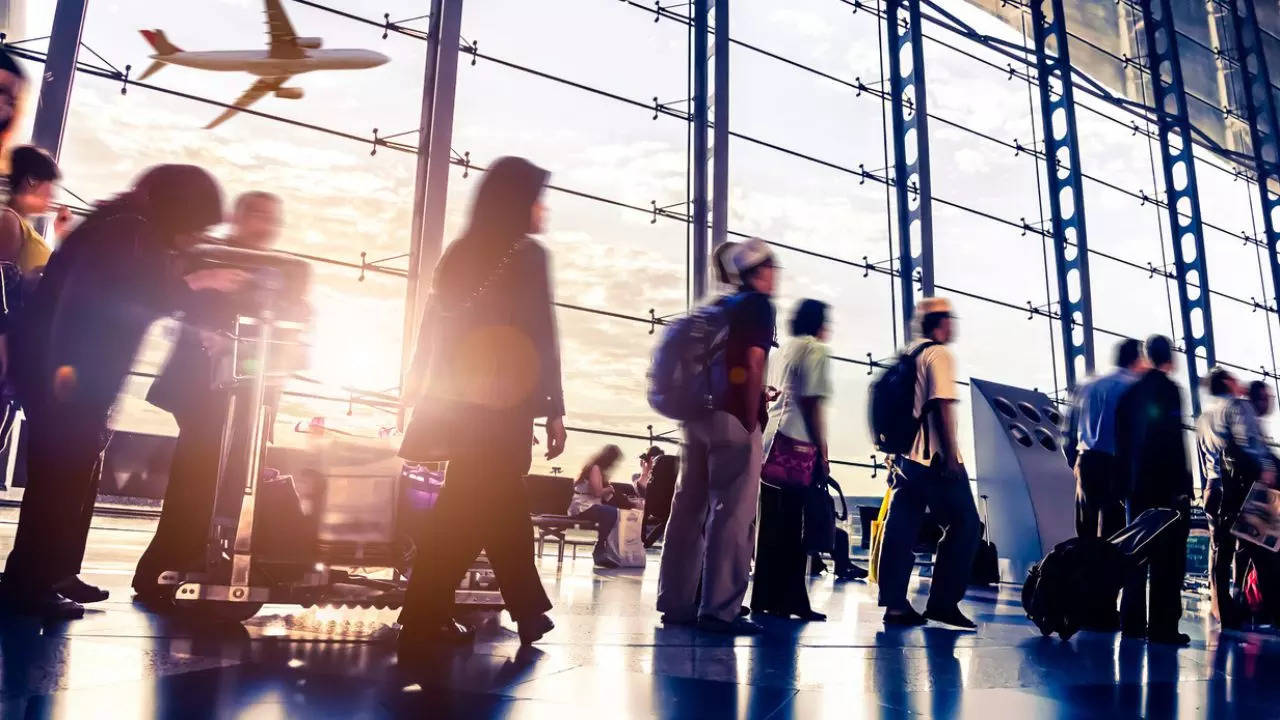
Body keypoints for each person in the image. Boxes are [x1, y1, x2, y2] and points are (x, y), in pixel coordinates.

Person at [0, 165, 244, 619]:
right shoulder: (127, 231)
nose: (195, 235)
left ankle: (52, 572)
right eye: (196, 223)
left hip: (69, 373)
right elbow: (128, 296)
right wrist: (199, 285)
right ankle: (28, 584)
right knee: (59, 481)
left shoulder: (123, 225)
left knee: (71, 477)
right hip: (67, 375)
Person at [397, 156, 565, 650]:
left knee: (468, 507)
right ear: (517, 201)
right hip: (501, 407)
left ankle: (427, 610)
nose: (543, 209)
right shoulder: (528, 255)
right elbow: (541, 334)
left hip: (458, 406)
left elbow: (433, 329)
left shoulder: (459, 254)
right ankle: (525, 609)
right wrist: (553, 406)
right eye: (538, 198)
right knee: (496, 503)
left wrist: (417, 383)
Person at [131, 191, 287, 603]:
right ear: (240, 216)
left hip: (242, 391)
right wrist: (210, 336)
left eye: (273, 217)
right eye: (260, 215)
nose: (267, 224)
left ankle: (191, 564)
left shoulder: (269, 269)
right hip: (206, 390)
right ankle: (164, 569)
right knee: (198, 478)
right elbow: (186, 309)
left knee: (218, 480)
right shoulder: (212, 257)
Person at [657, 237, 777, 635]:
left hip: (695, 418)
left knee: (688, 509)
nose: (775, 277)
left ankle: (675, 602)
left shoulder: (713, 309)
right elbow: (753, 361)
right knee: (734, 513)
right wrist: (749, 416)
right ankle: (719, 609)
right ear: (757, 272)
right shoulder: (756, 305)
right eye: (771, 269)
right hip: (732, 417)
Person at [876, 297, 980, 628]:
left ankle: (894, 605)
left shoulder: (909, 354)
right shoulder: (939, 354)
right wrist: (950, 456)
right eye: (950, 319)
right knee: (966, 525)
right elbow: (941, 406)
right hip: (932, 458)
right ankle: (943, 603)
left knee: (901, 528)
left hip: (904, 459)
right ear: (941, 322)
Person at [751, 299, 836, 621]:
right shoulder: (816, 350)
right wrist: (822, 450)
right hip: (798, 444)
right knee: (795, 526)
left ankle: (764, 597)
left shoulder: (783, 350)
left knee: (772, 523)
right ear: (818, 322)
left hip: (771, 441)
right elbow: (812, 402)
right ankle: (792, 600)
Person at [1115, 335, 1193, 646]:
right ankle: (1162, 627)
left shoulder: (1129, 392)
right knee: (1169, 558)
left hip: (1136, 488)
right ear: (1168, 356)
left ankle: (1131, 621)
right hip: (1165, 487)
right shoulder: (1170, 389)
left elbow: (1120, 443)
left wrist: (1124, 484)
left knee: (1135, 552)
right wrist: (1183, 487)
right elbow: (1173, 439)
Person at [1198, 367, 1277, 630]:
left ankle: (1224, 614)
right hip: (1238, 490)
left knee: (1219, 555)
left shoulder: (1204, 417)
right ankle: (1269, 611)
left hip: (1212, 489)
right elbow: (1250, 443)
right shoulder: (1237, 407)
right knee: (1261, 551)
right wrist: (1268, 466)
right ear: (1227, 383)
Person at [1069, 338, 1144, 542]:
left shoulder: (1089, 385)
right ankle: (1106, 572)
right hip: (1116, 464)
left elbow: (1069, 427)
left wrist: (1075, 461)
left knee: (1085, 529)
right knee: (1113, 531)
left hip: (1086, 460)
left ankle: (1084, 571)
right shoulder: (1134, 387)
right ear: (1137, 360)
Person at [569, 444, 624, 569]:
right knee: (611, 512)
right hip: (583, 506)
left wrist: (610, 492)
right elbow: (597, 492)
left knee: (614, 512)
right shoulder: (595, 468)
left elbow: (603, 496)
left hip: (591, 504)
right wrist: (609, 489)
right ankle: (599, 548)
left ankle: (604, 548)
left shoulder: (599, 471)